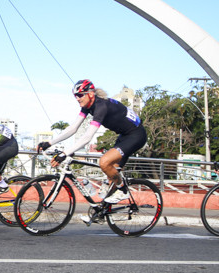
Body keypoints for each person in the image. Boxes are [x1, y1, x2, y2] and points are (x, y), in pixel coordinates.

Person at [37, 80, 147, 220]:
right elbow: (73, 128)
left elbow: (88, 136)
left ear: (90, 94)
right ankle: (101, 213)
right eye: (75, 95)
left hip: (136, 136)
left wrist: (65, 154)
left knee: (104, 162)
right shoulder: (88, 106)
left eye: (80, 95)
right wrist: (49, 142)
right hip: (124, 136)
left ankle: (123, 190)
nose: (77, 98)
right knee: (112, 175)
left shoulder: (101, 106)